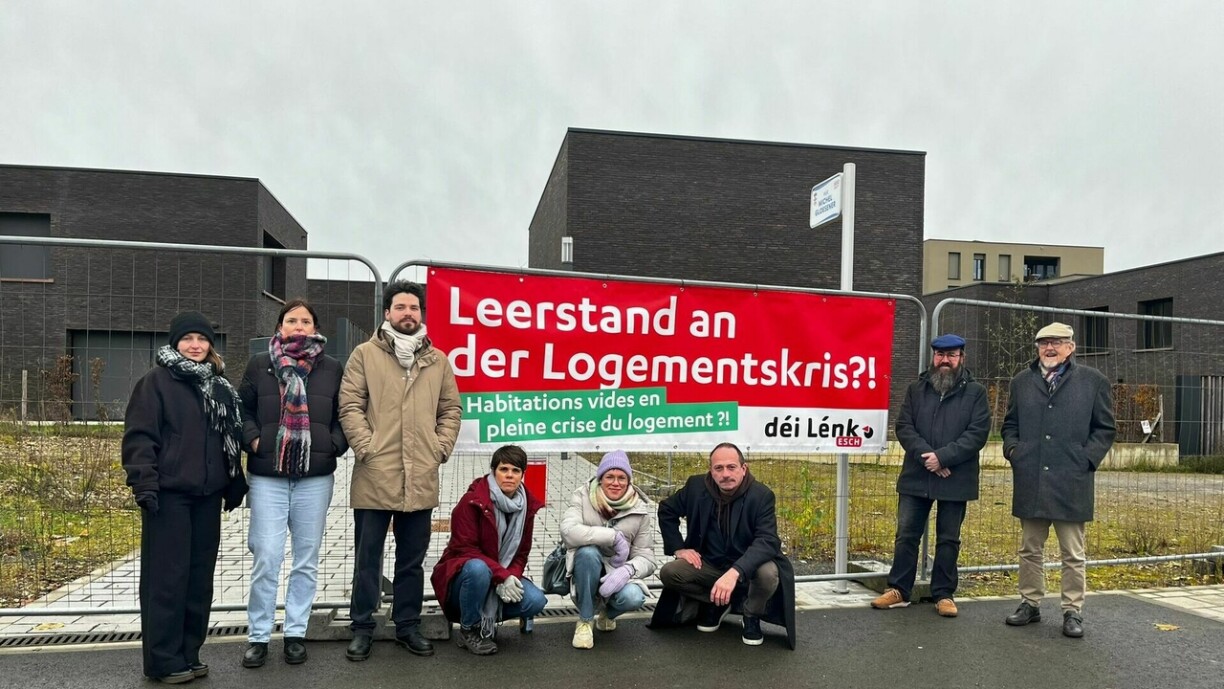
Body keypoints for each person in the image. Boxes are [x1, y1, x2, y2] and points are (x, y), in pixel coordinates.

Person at [122, 311, 247, 684]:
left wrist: (232, 481)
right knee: (166, 580)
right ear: (175, 342)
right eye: (188, 339)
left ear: (210, 345)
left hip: (207, 497)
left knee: (198, 580)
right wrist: (144, 484)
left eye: (202, 339)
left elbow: (229, 440)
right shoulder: (155, 383)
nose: (195, 345)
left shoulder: (219, 386)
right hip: (169, 496)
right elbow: (140, 438)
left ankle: (189, 653)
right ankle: (162, 660)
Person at [339, 280, 462, 660]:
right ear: (387, 313)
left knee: (411, 559)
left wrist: (439, 449)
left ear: (421, 314)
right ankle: (362, 627)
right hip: (376, 472)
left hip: (421, 473)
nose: (408, 313)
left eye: (414, 307)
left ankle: (408, 624)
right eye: (400, 307)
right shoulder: (365, 355)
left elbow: (451, 410)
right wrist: (366, 447)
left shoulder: (437, 360)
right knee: (368, 558)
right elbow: (350, 405)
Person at [238, 299, 348, 668]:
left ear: (314, 327)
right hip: (268, 475)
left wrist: (333, 445)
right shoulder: (260, 364)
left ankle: (296, 633)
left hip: (314, 477)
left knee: (306, 559)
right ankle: (258, 635)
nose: (298, 326)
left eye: (305, 320)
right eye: (291, 320)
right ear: (279, 327)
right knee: (267, 556)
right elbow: (243, 410)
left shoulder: (332, 368)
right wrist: (255, 440)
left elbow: (343, 414)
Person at [1001, 322, 1115, 639]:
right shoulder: (1022, 382)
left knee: (1073, 553)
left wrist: (1086, 459)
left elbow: (1105, 429)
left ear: (1071, 347)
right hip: (1032, 478)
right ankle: (1030, 603)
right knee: (1029, 548)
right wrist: (1014, 450)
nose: (1049, 348)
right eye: (1043, 343)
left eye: (1056, 342)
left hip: (1072, 479)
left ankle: (1072, 610)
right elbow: (1009, 424)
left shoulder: (1093, 382)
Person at [872, 333, 990, 617]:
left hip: (955, 476)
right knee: (906, 535)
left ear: (962, 358)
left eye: (951, 355)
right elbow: (904, 426)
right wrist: (930, 457)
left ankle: (944, 594)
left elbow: (977, 433)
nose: (945, 361)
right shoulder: (917, 389)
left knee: (948, 538)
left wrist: (944, 457)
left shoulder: (975, 393)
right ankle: (899, 590)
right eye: (940, 355)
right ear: (933, 357)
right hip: (917, 473)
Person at [650, 442, 796, 649]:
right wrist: (678, 548)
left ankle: (751, 613)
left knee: (769, 573)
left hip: (748, 568)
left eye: (731, 467)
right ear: (711, 470)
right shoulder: (696, 486)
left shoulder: (761, 495)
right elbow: (667, 510)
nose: (725, 474)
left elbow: (768, 540)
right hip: (710, 563)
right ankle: (717, 602)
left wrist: (735, 571)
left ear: (743, 469)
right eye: (719, 468)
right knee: (670, 572)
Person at [430, 445, 548, 656]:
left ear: (522, 474)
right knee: (478, 569)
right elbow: (465, 550)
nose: (509, 475)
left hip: (499, 576)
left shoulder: (526, 505)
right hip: (463, 579)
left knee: (536, 600)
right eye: (504, 469)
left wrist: (511, 577)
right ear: (494, 471)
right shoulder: (472, 501)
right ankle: (469, 628)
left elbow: (521, 554)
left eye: (515, 470)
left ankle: (488, 618)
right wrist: (502, 576)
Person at [559, 450, 658, 649]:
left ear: (629, 481)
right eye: (609, 476)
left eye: (622, 477)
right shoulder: (583, 496)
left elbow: (647, 556)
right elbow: (568, 531)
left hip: (617, 571)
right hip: (584, 568)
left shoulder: (639, 509)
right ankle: (585, 620)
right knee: (588, 552)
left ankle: (606, 615)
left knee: (634, 597)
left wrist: (628, 570)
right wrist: (613, 537)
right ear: (600, 478)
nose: (615, 482)